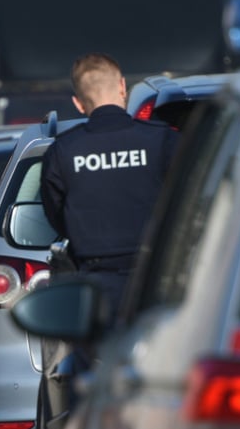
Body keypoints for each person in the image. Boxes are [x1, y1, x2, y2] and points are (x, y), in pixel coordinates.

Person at [40, 52, 179, 316]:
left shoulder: (63, 150)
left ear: (79, 104)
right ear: (122, 87)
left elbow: (56, 215)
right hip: (158, 279)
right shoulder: (161, 140)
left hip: (96, 286)